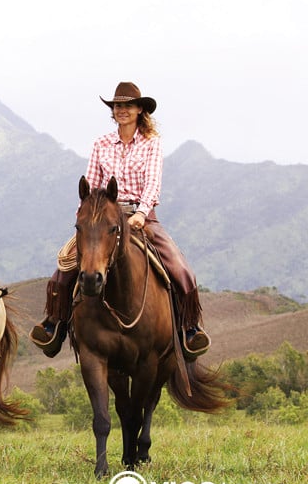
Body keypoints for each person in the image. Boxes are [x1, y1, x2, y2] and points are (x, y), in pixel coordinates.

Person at [30, 82, 211, 360]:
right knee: (63, 269)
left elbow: (152, 183)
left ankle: (189, 328)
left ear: (140, 110)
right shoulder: (101, 144)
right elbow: (91, 184)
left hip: (141, 217)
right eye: (117, 106)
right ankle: (55, 324)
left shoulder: (152, 143)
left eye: (127, 105)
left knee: (181, 268)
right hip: (103, 219)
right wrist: (87, 216)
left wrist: (140, 212)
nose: (121, 110)